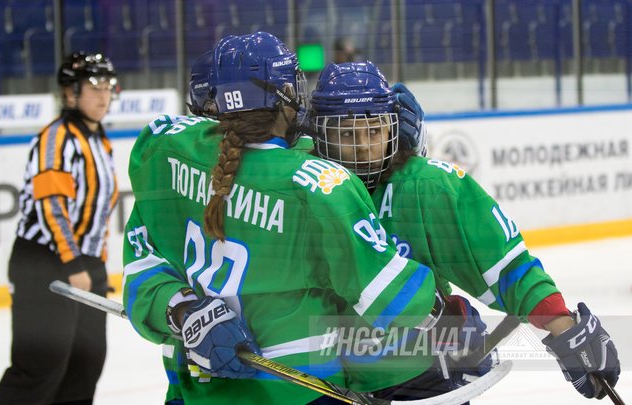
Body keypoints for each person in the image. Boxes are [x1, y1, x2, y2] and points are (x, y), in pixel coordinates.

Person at [122, 32, 446, 405]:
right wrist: (440, 312)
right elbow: (392, 300)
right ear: (286, 95)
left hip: (197, 390)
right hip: (300, 389)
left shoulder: (164, 153)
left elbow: (141, 266)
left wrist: (182, 310)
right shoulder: (319, 184)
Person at [309, 61, 621, 401]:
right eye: (346, 134)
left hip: (416, 370)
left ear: (394, 130)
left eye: (373, 131)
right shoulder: (300, 186)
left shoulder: (427, 187)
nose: (362, 146)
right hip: (319, 371)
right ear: (320, 135)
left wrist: (563, 325)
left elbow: (504, 265)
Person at [0, 51, 120, 405]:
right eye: (94, 87)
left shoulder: (98, 140)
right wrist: (74, 263)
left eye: (108, 87)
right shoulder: (57, 139)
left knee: (86, 364)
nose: (103, 96)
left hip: (86, 265)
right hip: (45, 263)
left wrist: (95, 265)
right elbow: (52, 206)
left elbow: (97, 212)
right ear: (69, 93)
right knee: (41, 365)